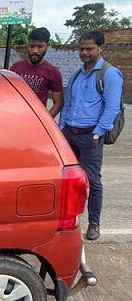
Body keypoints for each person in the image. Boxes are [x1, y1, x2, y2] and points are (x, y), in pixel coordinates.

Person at [59, 31, 124, 241]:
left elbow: (112, 107)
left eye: (89, 49)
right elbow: (68, 104)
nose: (84, 53)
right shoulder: (77, 74)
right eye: (81, 49)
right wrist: (61, 130)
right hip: (70, 133)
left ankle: (94, 224)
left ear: (100, 48)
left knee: (93, 181)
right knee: (69, 180)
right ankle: (68, 220)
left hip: (90, 136)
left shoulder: (109, 74)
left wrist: (97, 134)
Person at [10, 27, 63, 118]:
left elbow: (58, 103)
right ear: (28, 46)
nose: (35, 51)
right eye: (32, 46)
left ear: (47, 46)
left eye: (40, 46)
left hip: (36, 120)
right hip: (14, 117)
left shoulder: (53, 72)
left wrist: (46, 121)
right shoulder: (16, 67)